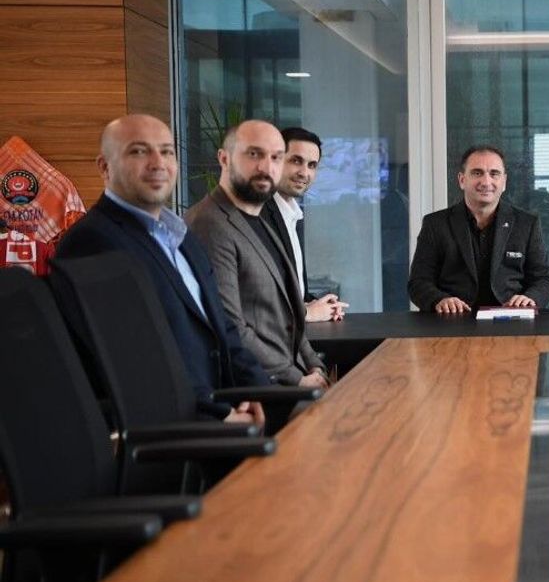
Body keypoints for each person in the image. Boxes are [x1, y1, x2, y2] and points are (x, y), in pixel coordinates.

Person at [57, 114, 269, 424]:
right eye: (139, 151)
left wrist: (262, 395)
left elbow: (223, 330)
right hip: (174, 429)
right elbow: (133, 360)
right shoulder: (92, 242)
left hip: (225, 413)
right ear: (104, 166)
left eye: (167, 151)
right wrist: (221, 416)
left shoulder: (181, 236)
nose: (158, 163)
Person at [185, 120, 329, 390]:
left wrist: (313, 363)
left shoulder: (259, 217)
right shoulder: (210, 223)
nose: (266, 167)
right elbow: (230, 325)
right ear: (224, 158)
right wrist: (297, 379)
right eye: (254, 154)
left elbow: (288, 313)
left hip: (293, 375)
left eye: (276, 157)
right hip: (260, 389)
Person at [407, 145, 549, 313]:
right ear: (462, 180)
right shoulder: (435, 224)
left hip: (511, 317)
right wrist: (439, 300)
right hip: (454, 318)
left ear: (504, 182)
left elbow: (543, 279)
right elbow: (418, 282)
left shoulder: (527, 224)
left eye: (494, 173)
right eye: (477, 173)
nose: (486, 182)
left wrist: (530, 298)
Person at [260, 126, 348, 322]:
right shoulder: (259, 214)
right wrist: (308, 313)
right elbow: (259, 297)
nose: (304, 172)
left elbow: (294, 292)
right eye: (296, 161)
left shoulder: (292, 215)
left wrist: (317, 305)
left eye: (312, 165)